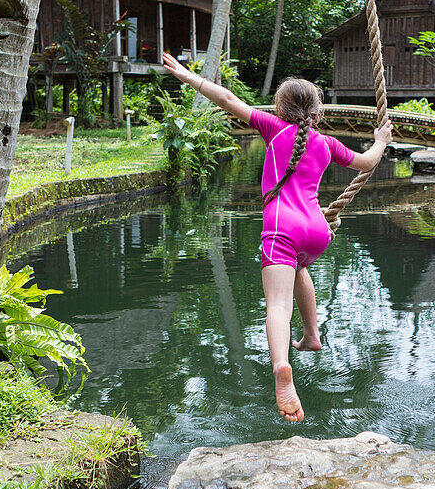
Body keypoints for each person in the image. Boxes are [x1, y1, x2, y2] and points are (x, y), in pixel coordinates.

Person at [161, 52, 392, 422]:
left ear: (280, 108)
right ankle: (312, 335)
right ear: (316, 110)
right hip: (317, 232)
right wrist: (380, 140)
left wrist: (188, 76)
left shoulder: (274, 129)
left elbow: (228, 99)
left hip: (281, 227)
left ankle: (282, 368)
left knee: (277, 306)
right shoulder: (327, 143)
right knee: (301, 269)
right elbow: (367, 163)